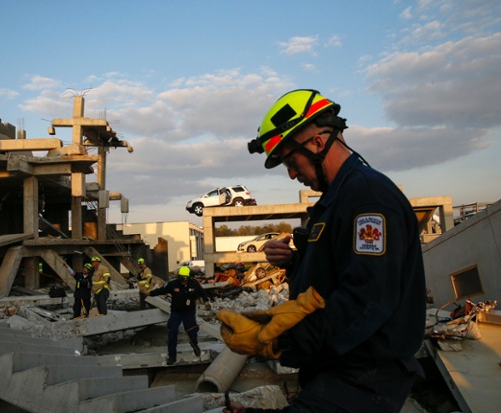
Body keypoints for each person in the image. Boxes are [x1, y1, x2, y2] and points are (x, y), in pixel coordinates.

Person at [218, 89, 426, 413]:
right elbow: (336, 273)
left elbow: (365, 299)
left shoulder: (367, 198)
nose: (290, 173)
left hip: (363, 375)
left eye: (291, 160)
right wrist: (296, 262)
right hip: (338, 369)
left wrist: (277, 339)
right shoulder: (336, 199)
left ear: (317, 142)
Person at [147, 265, 211, 365]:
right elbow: (161, 290)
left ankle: (194, 345)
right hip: (176, 313)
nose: (183, 281)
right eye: (182, 279)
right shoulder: (173, 284)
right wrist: (150, 293)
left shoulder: (194, 284)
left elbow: (202, 292)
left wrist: (206, 302)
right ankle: (172, 357)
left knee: (192, 331)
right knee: (172, 332)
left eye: (185, 279)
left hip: (189, 313)